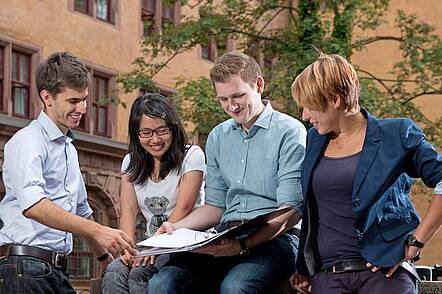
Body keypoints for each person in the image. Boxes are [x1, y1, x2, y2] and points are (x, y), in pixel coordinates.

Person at [147, 51, 307, 294]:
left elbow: (290, 212)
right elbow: (215, 207)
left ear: (259, 85)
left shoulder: (289, 132)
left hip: (276, 239)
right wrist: (174, 227)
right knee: (162, 283)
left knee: (235, 287)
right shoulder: (218, 137)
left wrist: (242, 245)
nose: (231, 106)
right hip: (225, 234)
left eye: (238, 96)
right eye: (223, 99)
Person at [289, 52, 442, 294]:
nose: (305, 116)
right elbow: (313, 208)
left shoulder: (397, 133)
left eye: (309, 107)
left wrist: (417, 241)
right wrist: (305, 265)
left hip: (385, 276)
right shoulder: (314, 140)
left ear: (335, 100)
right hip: (328, 278)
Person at [0, 52, 135, 293]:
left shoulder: (68, 149)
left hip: (55, 270)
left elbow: (83, 210)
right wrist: (100, 231)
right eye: (73, 101)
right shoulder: (27, 142)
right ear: (47, 97)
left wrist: (104, 259)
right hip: (23, 268)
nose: (82, 108)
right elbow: (34, 205)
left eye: (84, 99)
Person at [101, 93, 205, 294]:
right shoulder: (130, 162)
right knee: (114, 270)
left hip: (186, 245)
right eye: (146, 132)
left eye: (161, 130)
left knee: (140, 273)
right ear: (136, 133)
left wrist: (155, 247)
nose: (155, 139)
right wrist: (127, 249)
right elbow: (129, 211)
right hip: (151, 244)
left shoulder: (192, 155)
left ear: (172, 128)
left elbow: (184, 207)